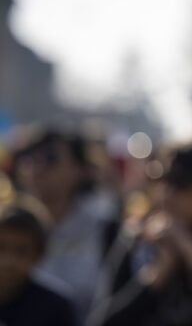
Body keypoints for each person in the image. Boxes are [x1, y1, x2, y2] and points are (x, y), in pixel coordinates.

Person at [88, 144, 192, 326]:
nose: (168, 193)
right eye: (164, 179)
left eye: (182, 182)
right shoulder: (139, 242)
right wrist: (156, 276)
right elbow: (101, 321)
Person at [11, 128, 120, 322]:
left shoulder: (106, 227)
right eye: (29, 156)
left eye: (50, 158)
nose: (37, 166)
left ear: (80, 170)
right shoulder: (8, 224)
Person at [0, 201, 77, 326]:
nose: (8, 261)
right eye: (1, 248)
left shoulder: (55, 307)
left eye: (21, 252)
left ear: (39, 256)